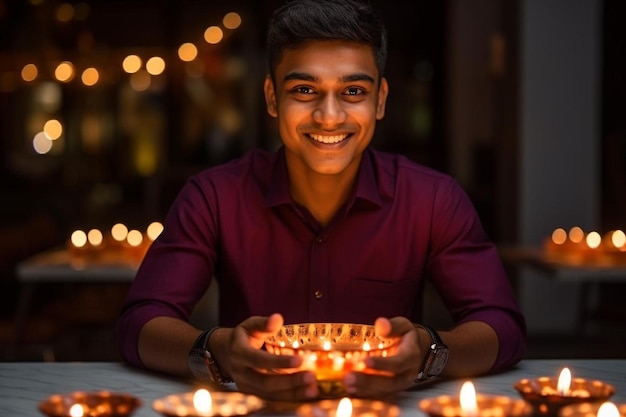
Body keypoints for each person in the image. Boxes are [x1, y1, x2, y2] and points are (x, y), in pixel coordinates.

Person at [116, 0, 526, 401]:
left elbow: (501, 325)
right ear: (272, 98)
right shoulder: (214, 196)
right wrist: (219, 350)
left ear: (380, 99)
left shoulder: (432, 198)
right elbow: (140, 323)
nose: (329, 116)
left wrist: (429, 351)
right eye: (304, 89)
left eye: (352, 90)